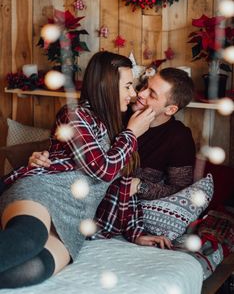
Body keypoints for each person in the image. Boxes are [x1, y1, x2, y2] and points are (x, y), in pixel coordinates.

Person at [0, 51, 171, 289]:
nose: (133, 94)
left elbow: (121, 184)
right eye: (129, 86)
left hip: (75, 217)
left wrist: (135, 232)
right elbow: (102, 170)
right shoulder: (76, 115)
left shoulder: (118, 129)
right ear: (107, 86)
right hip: (45, 190)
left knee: (34, 269)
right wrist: (131, 135)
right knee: (28, 241)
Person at [26, 67, 196, 242]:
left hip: (107, 213)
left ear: (170, 109)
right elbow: (80, 154)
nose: (140, 93)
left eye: (152, 94)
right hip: (70, 197)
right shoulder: (118, 113)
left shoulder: (178, 137)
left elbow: (181, 190)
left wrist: (140, 187)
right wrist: (44, 159)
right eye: (144, 85)